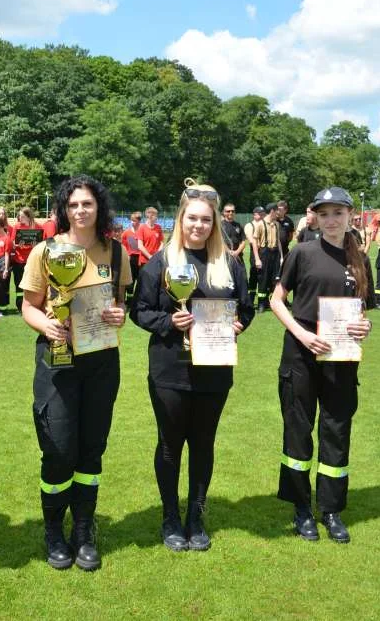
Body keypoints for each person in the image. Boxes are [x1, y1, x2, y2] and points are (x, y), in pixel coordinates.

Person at [130, 181, 253, 551]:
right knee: (170, 445)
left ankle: (196, 517)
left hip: (214, 369)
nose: (198, 225)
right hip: (170, 369)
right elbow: (139, 310)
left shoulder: (229, 263)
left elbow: (246, 307)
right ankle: (170, 517)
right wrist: (170, 324)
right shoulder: (162, 261)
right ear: (180, 220)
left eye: (205, 219)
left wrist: (238, 326)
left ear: (214, 222)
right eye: (191, 218)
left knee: (203, 444)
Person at [20, 175, 131, 572]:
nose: (81, 211)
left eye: (87, 204)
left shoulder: (116, 253)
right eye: (73, 205)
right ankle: (54, 531)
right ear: (63, 210)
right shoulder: (45, 251)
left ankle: (84, 530)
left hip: (101, 361)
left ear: (99, 207)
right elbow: (29, 306)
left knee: (90, 448)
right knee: (58, 448)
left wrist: (120, 315)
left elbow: (118, 305)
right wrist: (45, 324)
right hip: (57, 360)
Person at [270, 186, 373, 543]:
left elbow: (363, 311)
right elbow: (277, 300)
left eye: (338, 213)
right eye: (324, 213)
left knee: (336, 431)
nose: (331, 220)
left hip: (340, 358)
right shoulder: (302, 252)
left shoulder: (359, 258)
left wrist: (366, 326)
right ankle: (301, 508)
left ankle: (331, 509)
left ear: (350, 216)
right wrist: (302, 334)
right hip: (301, 352)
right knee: (298, 430)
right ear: (314, 216)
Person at [8, 207, 41, 313]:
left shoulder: (37, 227)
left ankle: (33, 306)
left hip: (32, 260)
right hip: (18, 260)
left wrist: (36, 245)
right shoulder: (17, 226)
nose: (19, 218)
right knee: (19, 284)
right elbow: (12, 243)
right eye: (19, 216)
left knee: (32, 284)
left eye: (22, 216)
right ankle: (20, 307)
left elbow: (42, 243)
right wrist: (17, 244)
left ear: (28, 216)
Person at [254, 203, 282, 311]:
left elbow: (278, 240)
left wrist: (281, 257)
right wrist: (257, 259)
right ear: (272, 211)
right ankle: (261, 303)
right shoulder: (260, 224)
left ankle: (272, 302)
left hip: (275, 253)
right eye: (277, 211)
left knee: (275, 278)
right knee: (263, 278)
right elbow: (255, 243)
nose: (278, 213)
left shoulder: (276, 224)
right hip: (264, 253)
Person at [243, 206, 263, 308]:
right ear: (254, 214)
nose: (261, 215)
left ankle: (263, 301)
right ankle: (250, 299)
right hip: (255, 251)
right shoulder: (249, 225)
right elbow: (251, 240)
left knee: (263, 276)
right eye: (259, 213)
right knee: (254, 275)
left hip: (264, 253)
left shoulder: (264, 224)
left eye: (262, 213)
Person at [121, 211, 143, 303]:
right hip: (131, 258)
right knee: (130, 280)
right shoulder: (126, 233)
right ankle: (129, 301)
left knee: (141, 280)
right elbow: (123, 245)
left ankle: (139, 300)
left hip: (141, 258)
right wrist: (127, 255)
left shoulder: (142, 231)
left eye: (134, 221)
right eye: (131, 220)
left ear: (139, 221)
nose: (132, 222)